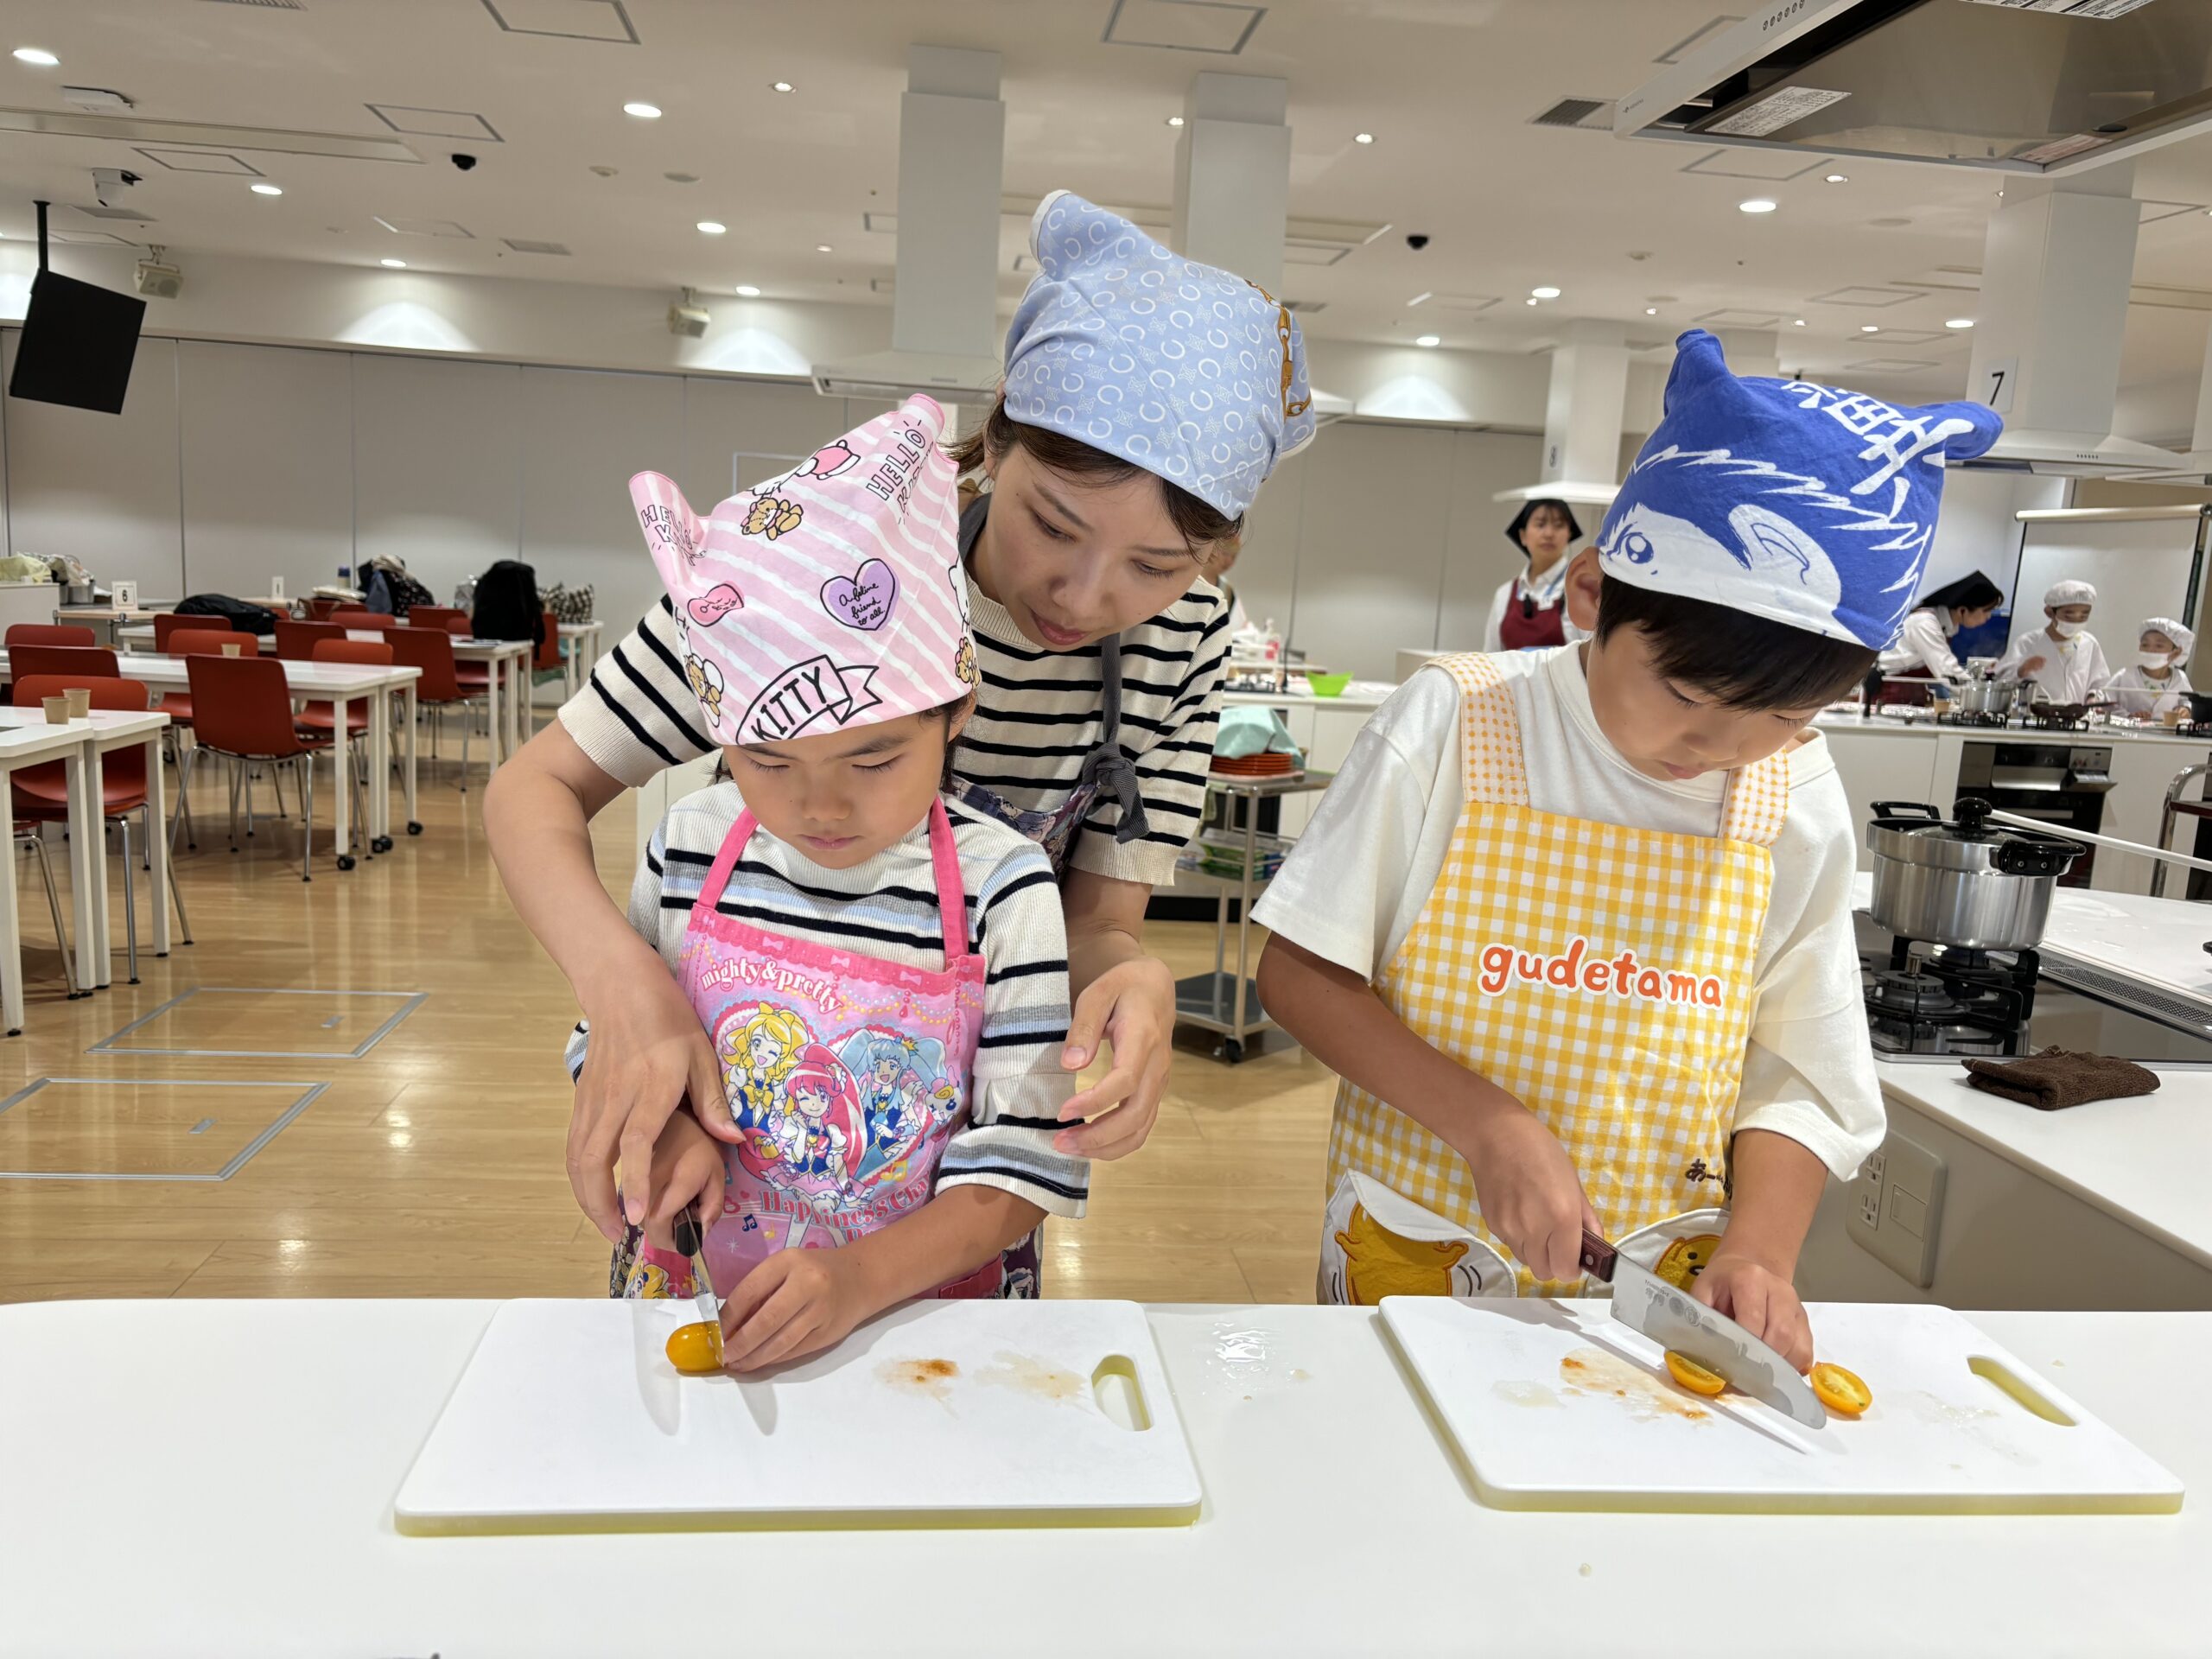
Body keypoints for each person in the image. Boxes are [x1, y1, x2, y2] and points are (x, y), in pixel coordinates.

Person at [489, 190, 1316, 1243]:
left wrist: (1134, 977)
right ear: (996, 443)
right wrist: (623, 986)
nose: (1081, 597)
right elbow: (534, 789)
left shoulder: (1184, 639)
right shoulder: (824, 559)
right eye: (1052, 525)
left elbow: (1094, 925)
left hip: (953, 1200)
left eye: (1155, 567)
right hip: (729, 1152)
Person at [1252, 331, 2002, 1369]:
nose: (1720, 749)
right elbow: (1299, 973)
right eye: (1687, 695)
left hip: (1660, 1289)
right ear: (1597, 591)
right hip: (1419, 1251)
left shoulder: (1793, 790)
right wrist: (1486, 1123)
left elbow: (1799, 1065)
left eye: (1785, 716)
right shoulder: (1458, 721)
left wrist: (1761, 1250)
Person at [570, 395, 1085, 1367]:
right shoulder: (690, 844)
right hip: (692, 1296)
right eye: (767, 762)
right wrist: (664, 1128)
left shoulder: (1004, 888)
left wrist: (859, 1278)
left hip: (910, 1324)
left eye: (874, 759)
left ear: (957, 709)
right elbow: (610, 1043)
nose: (820, 807)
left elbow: (1024, 1159)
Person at [1876, 570, 2003, 695]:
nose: (1988, 617)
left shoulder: (1946, 625)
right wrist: (1981, 694)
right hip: (1889, 687)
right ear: (1962, 610)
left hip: (1909, 688)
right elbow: (1946, 668)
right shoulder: (1924, 623)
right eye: (1986, 611)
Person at [1482, 499, 1582, 652]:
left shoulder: (1581, 591)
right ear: (1523, 536)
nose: (1549, 534)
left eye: (1558, 525)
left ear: (1569, 534)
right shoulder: (1504, 594)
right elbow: (1490, 657)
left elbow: (1592, 657)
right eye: (1540, 524)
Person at [1995, 580, 2108, 704]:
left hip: (2076, 714)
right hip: (2035, 713)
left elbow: (2100, 683)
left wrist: (2093, 697)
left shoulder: (2090, 644)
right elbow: (2000, 680)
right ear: (2049, 612)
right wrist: (2021, 670)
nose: (2076, 621)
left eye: (2083, 616)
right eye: (2068, 616)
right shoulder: (2028, 643)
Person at [2101, 617, 2196, 722]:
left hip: (2165, 732)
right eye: (2145, 645)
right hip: (2129, 731)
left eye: (2159, 646)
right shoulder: (2124, 676)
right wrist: (2128, 716)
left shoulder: (2180, 679)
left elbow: (2188, 701)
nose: (2150, 650)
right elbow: (2105, 703)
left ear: (2176, 652)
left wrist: (2185, 709)